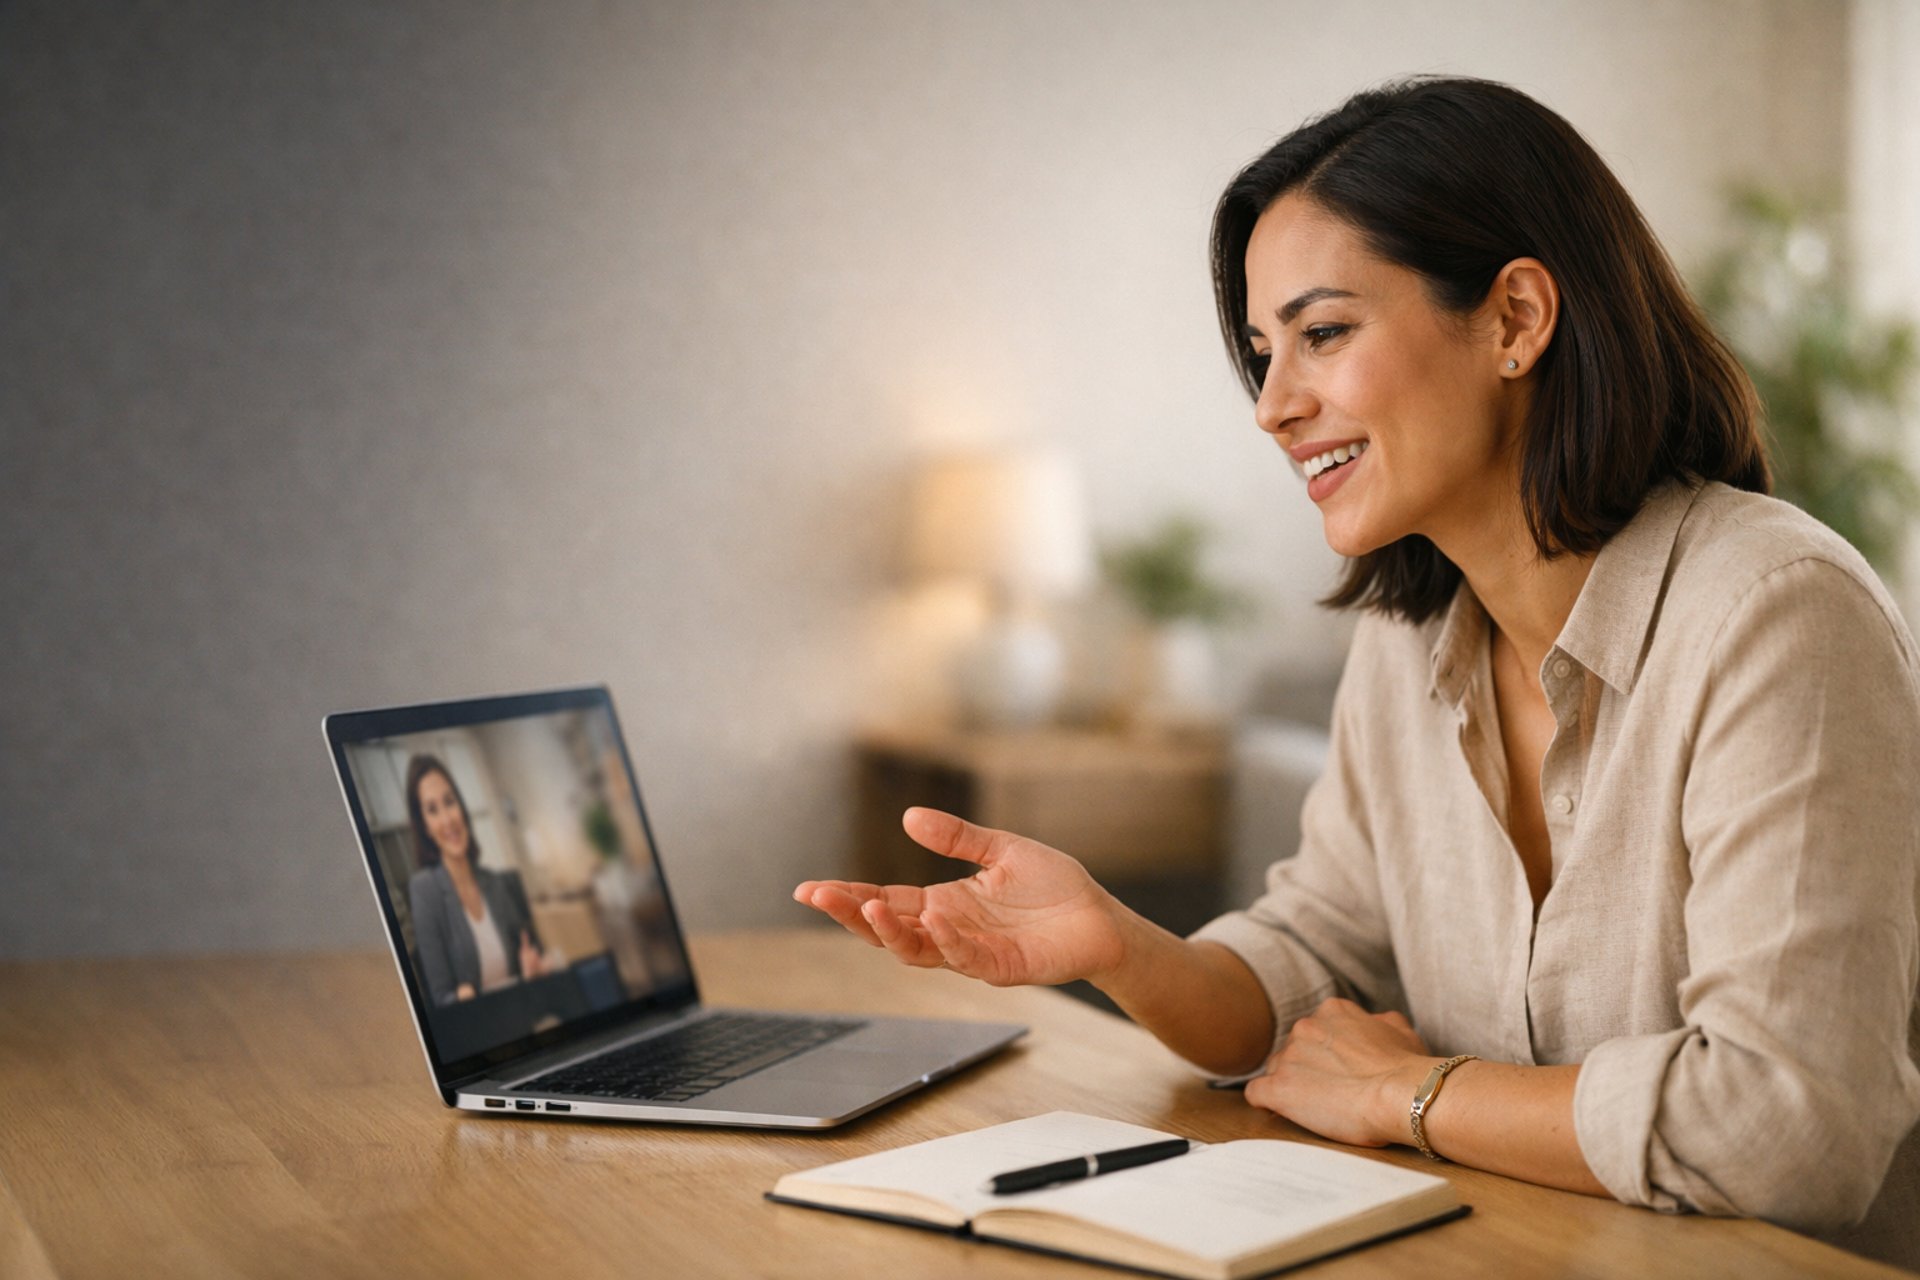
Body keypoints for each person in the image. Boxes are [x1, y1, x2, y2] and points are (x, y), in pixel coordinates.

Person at [796, 77, 1920, 1267]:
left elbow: (1792, 1125)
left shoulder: (1777, 612)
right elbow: (1314, 961)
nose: (1276, 405)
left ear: (1516, 319)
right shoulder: (1409, 639)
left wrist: (1411, 1092)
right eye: (1263, 350)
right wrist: (1118, 942)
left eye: (1323, 333)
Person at [404, 753, 550, 1006]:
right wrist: (461, 1000)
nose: (448, 819)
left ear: (461, 806)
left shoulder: (496, 884)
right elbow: (440, 998)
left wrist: (532, 973)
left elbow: (529, 962)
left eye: (449, 802)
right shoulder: (425, 892)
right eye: (432, 810)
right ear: (425, 827)